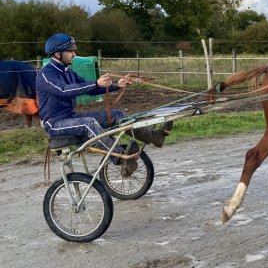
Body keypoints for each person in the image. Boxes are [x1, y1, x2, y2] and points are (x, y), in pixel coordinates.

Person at [36, 34, 173, 175]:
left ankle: (154, 136)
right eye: (70, 51)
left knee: (117, 114)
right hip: (54, 123)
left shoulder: (68, 72)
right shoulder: (46, 75)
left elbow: (91, 88)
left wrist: (117, 85)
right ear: (58, 54)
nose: (74, 54)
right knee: (87, 123)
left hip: (71, 117)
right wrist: (96, 83)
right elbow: (64, 90)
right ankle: (120, 157)